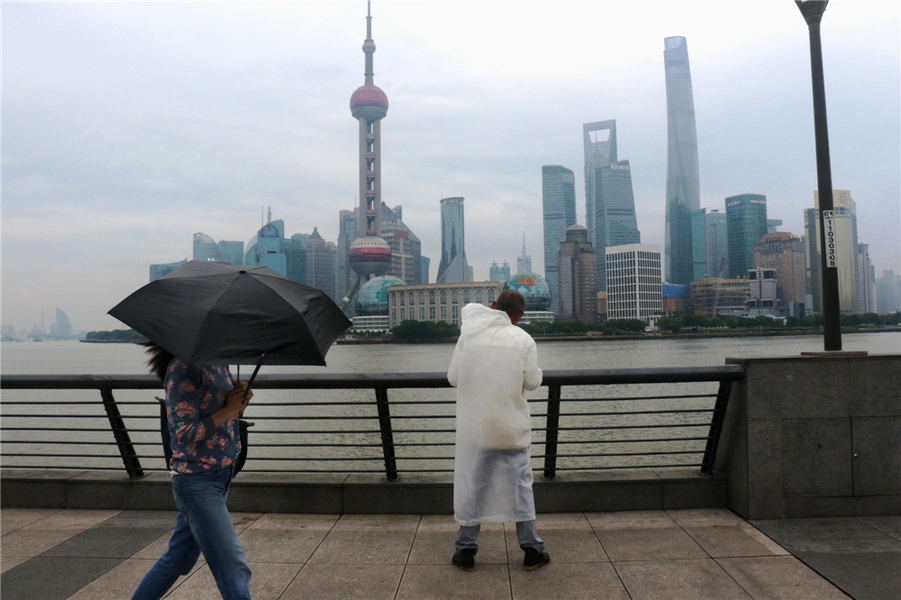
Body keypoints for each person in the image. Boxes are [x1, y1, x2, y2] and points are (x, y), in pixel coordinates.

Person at [132, 342, 253, 600]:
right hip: (197, 481)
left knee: (177, 559)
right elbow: (184, 433)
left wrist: (239, 402)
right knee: (233, 567)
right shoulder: (183, 367)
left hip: (221, 473)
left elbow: (220, 415)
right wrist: (229, 409)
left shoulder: (217, 361)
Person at [447, 290, 550, 572]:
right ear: (519, 315)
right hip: (510, 427)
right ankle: (531, 550)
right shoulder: (522, 339)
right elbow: (531, 383)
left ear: (494, 306)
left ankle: (466, 551)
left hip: (477, 428)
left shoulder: (468, 336)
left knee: (474, 486)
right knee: (520, 487)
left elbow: (453, 378)